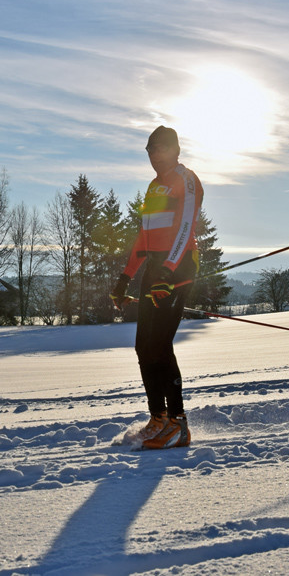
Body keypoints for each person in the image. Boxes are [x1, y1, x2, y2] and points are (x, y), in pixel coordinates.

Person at [110, 125, 203, 449]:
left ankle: (179, 424)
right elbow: (143, 238)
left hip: (177, 269)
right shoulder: (153, 187)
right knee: (144, 347)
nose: (153, 156)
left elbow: (186, 226)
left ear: (174, 150)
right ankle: (159, 417)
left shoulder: (186, 179)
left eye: (159, 149)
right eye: (149, 151)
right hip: (155, 271)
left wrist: (168, 269)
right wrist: (126, 276)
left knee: (161, 345)